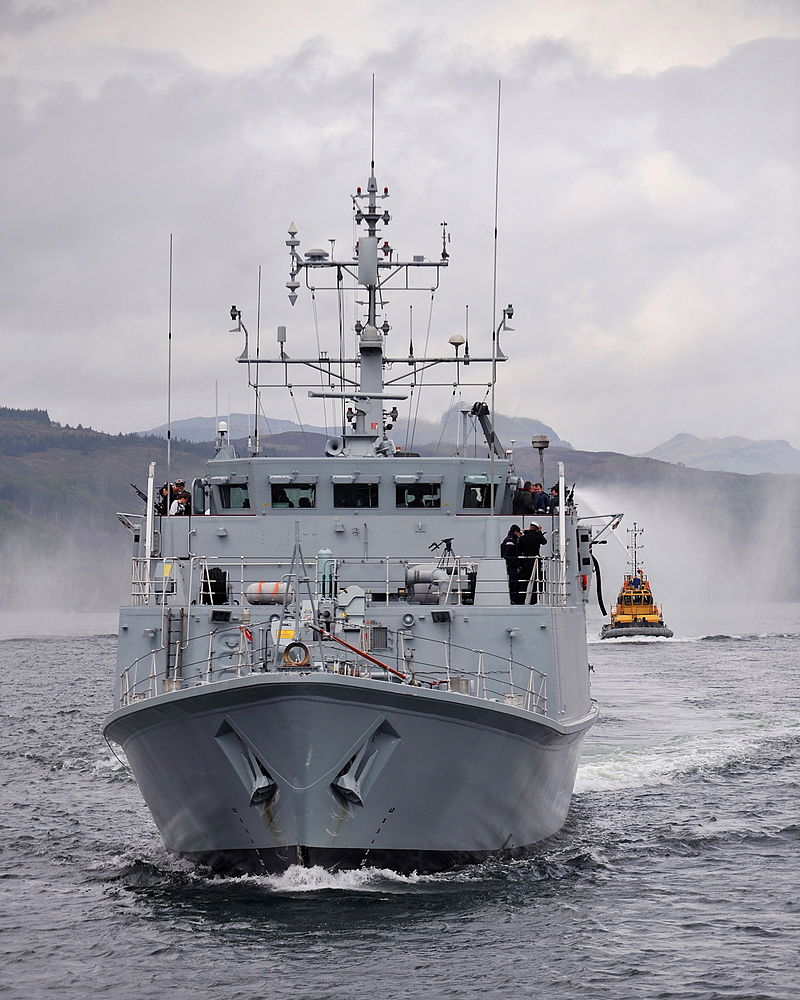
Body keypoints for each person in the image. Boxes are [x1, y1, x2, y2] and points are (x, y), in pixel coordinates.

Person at [517, 522, 548, 604]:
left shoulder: (523, 538)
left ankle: (521, 600)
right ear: (537, 528)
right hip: (535, 561)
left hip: (525, 561)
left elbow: (519, 551)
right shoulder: (537, 537)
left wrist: (519, 564)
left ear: (530, 527)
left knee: (524, 582)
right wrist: (540, 533)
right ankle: (533, 600)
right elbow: (544, 542)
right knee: (535, 581)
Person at [500, 524, 523, 604]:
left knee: (513, 583)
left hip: (510, 565)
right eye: (519, 532)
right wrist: (515, 565)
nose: (519, 534)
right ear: (515, 532)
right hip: (511, 566)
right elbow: (508, 554)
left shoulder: (509, 539)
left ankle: (513, 598)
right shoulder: (511, 541)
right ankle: (513, 599)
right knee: (513, 583)